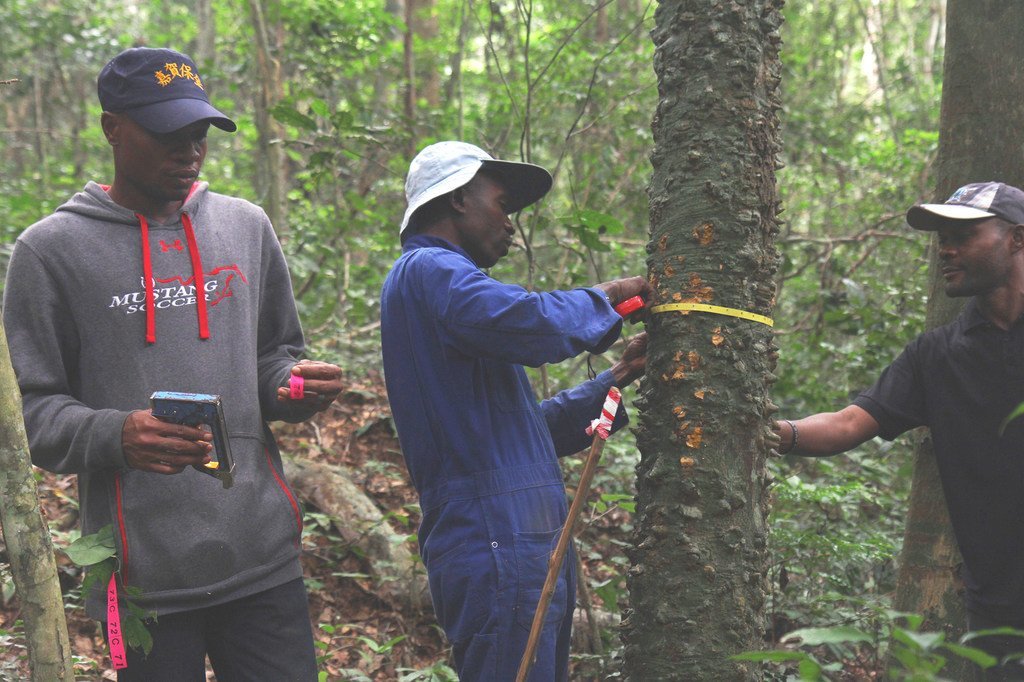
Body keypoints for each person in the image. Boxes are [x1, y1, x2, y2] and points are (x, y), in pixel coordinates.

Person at [2, 46, 341, 680]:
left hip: (262, 557)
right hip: (141, 577)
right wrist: (115, 433)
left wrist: (290, 387)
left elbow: (274, 356)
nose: (188, 150)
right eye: (166, 133)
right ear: (112, 129)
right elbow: (30, 415)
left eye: (198, 133)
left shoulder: (244, 226)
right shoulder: (50, 251)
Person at [379, 140, 651, 681]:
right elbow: (528, 322)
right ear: (457, 198)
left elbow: (526, 437)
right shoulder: (429, 270)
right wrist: (606, 298)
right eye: (503, 205)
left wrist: (619, 379)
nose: (511, 225)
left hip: (516, 539)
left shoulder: (447, 295)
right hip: (493, 539)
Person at [773, 181, 1024, 678]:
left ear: (1016, 239)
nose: (945, 249)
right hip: (997, 608)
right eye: (940, 238)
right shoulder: (936, 356)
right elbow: (847, 425)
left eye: (964, 234)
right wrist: (764, 431)